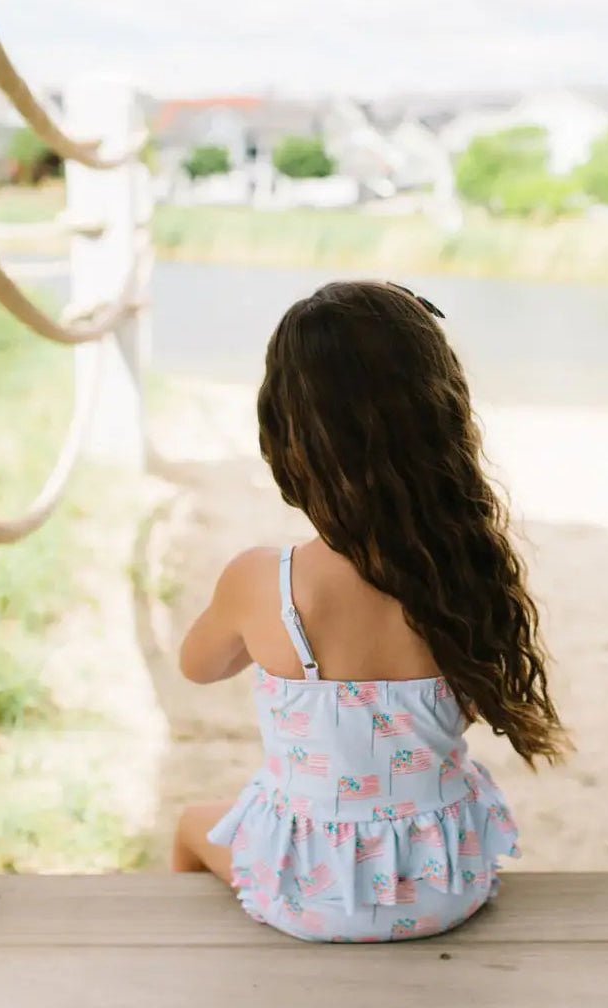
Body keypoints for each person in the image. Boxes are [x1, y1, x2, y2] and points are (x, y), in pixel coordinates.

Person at [173, 280, 568, 942]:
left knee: (192, 824)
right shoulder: (464, 572)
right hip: (445, 884)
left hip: (309, 895)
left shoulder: (262, 580)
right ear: (441, 421)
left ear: (289, 433)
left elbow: (196, 667)